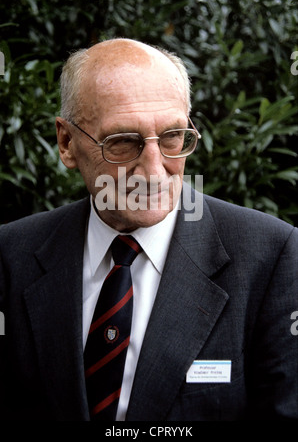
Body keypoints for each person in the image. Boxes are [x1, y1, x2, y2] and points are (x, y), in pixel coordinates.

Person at [0, 38, 297, 421]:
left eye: (173, 137)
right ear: (67, 142)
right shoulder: (11, 255)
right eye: (123, 142)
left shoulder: (271, 257)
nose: (155, 170)